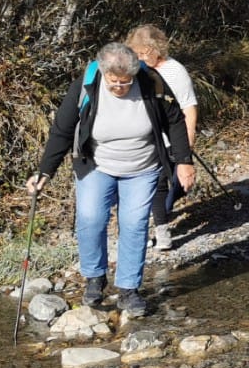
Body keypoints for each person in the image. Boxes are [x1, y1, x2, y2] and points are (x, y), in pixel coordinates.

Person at [27, 42, 195, 317]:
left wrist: (184, 162)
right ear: (103, 73)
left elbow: (174, 120)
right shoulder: (87, 84)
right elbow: (62, 129)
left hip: (142, 167)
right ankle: (95, 278)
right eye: (114, 82)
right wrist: (45, 171)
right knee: (91, 217)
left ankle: (129, 290)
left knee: (134, 223)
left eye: (125, 83)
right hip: (97, 165)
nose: (120, 88)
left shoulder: (150, 80)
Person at [127, 23, 197, 252]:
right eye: (136, 53)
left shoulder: (175, 71)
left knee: (162, 187)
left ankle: (162, 228)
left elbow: (188, 108)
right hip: (143, 140)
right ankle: (148, 230)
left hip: (170, 139)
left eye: (144, 52)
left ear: (157, 48)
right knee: (148, 186)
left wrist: (187, 143)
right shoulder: (133, 71)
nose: (140, 57)